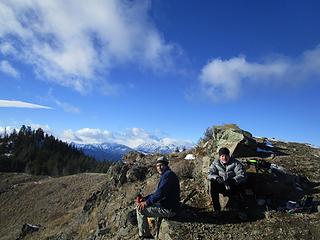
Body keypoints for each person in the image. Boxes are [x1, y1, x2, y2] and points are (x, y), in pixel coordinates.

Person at [136, 156, 180, 239]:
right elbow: (158, 193)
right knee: (147, 204)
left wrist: (146, 202)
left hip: (169, 209)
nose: (159, 168)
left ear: (166, 165)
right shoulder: (167, 175)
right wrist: (146, 198)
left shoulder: (168, 176)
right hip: (169, 205)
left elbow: (160, 194)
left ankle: (145, 235)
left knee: (140, 209)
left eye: (161, 165)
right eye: (157, 166)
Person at [207, 147, 247, 214]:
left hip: (233, 186)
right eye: (222, 156)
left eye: (226, 156)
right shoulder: (215, 163)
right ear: (220, 157)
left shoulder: (236, 163)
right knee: (213, 184)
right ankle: (217, 210)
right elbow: (210, 173)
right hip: (221, 185)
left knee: (242, 185)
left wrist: (233, 180)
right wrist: (217, 178)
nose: (224, 158)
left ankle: (242, 211)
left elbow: (242, 174)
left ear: (229, 156)